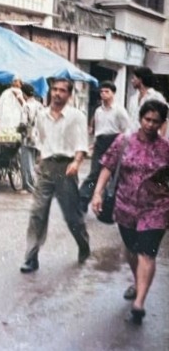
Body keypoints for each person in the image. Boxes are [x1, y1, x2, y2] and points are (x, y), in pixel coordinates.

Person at [91, 100, 169, 325]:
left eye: (156, 121)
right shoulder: (124, 141)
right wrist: (97, 193)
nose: (150, 125)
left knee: (147, 253)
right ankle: (138, 282)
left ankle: (139, 303)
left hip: (156, 208)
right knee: (131, 251)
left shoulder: (166, 149)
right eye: (147, 119)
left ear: (162, 123)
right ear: (140, 118)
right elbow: (107, 166)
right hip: (125, 206)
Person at [20, 78, 90, 273]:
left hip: (66, 168)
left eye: (62, 91)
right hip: (47, 167)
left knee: (72, 216)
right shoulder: (42, 115)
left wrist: (76, 162)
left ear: (69, 95)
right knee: (37, 213)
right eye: (54, 90)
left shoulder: (77, 116)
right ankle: (31, 257)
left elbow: (81, 143)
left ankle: (83, 245)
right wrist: (41, 160)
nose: (57, 94)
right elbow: (41, 139)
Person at [78, 81, 130, 213]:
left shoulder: (119, 111)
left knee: (115, 175)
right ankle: (83, 199)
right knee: (94, 173)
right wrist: (95, 142)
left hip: (115, 142)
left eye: (107, 92)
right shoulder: (98, 111)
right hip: (101, 143)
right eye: (102, 92)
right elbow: (98, 129)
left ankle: (113, 205)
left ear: (113, 93)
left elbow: (127, 130)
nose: (104, 94)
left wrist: (121, 145)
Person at [18, 83, 43, 192]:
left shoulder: (26, 106)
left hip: (28, 137)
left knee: (26, 163)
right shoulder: (39, 105)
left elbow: (23, 123)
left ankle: (29, 186)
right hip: (37, 137)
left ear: (24, 94)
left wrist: (18, 130)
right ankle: (33, 185)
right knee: (32, 162)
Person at [127, 66, 166, 135]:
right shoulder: (133, 98)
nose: (131, 81)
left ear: (140, 79)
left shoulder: (155, 96)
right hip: (135, 138)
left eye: (133, 78)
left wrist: (161, 140)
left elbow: (164, 120)